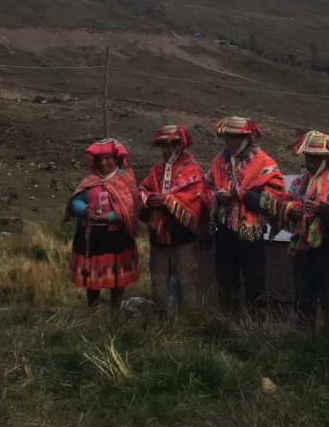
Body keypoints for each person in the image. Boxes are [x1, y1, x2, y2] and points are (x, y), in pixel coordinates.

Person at [268, 131, 329, 324]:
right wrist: (292, 211)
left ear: (326, 158)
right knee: (304, 300)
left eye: (316, 158)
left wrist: (323, 209)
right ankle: (303, 340)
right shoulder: (299, 182)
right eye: (308, 157)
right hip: (303, 251)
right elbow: (287, 202)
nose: (311, 163)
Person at [206, 116, 285, 313]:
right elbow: (207, 186)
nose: (230, 142)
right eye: (228, 137)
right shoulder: (219, 161)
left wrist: (242, 194)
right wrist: (218, 198)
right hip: (224, 231)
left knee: (254, 281)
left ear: (247, 138)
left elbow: (274, 199)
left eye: (235, 137)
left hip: (251, 232)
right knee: (225, 279)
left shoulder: (263, 163)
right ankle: (228, 323)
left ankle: (256, 327)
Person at [64, 139, 141, 309]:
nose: (103, 162)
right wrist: (85, 210)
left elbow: (130, 207)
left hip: (116, 236)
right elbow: (76, 200)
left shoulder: (124, 180)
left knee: (117, 277)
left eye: (108, 158)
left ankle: (116, 311)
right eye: (100, 159)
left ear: (117, 159)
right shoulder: (90, 180)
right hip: (92, 237)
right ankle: (92, 311)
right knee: (93, 277)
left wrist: (109, 217)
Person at [139, 125, 209, 312]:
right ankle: (162, 324)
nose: (166, 150)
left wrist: (166, 200)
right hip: (158, 238)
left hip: (182, 236)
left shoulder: (192, 169)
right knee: (158, 280)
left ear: (181, 146)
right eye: (163, 146)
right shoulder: (156, 170)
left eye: (171, 145)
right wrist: (149, 200)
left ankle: (189, 324)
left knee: (186, 281)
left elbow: (194, 197)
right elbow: (144, 189)